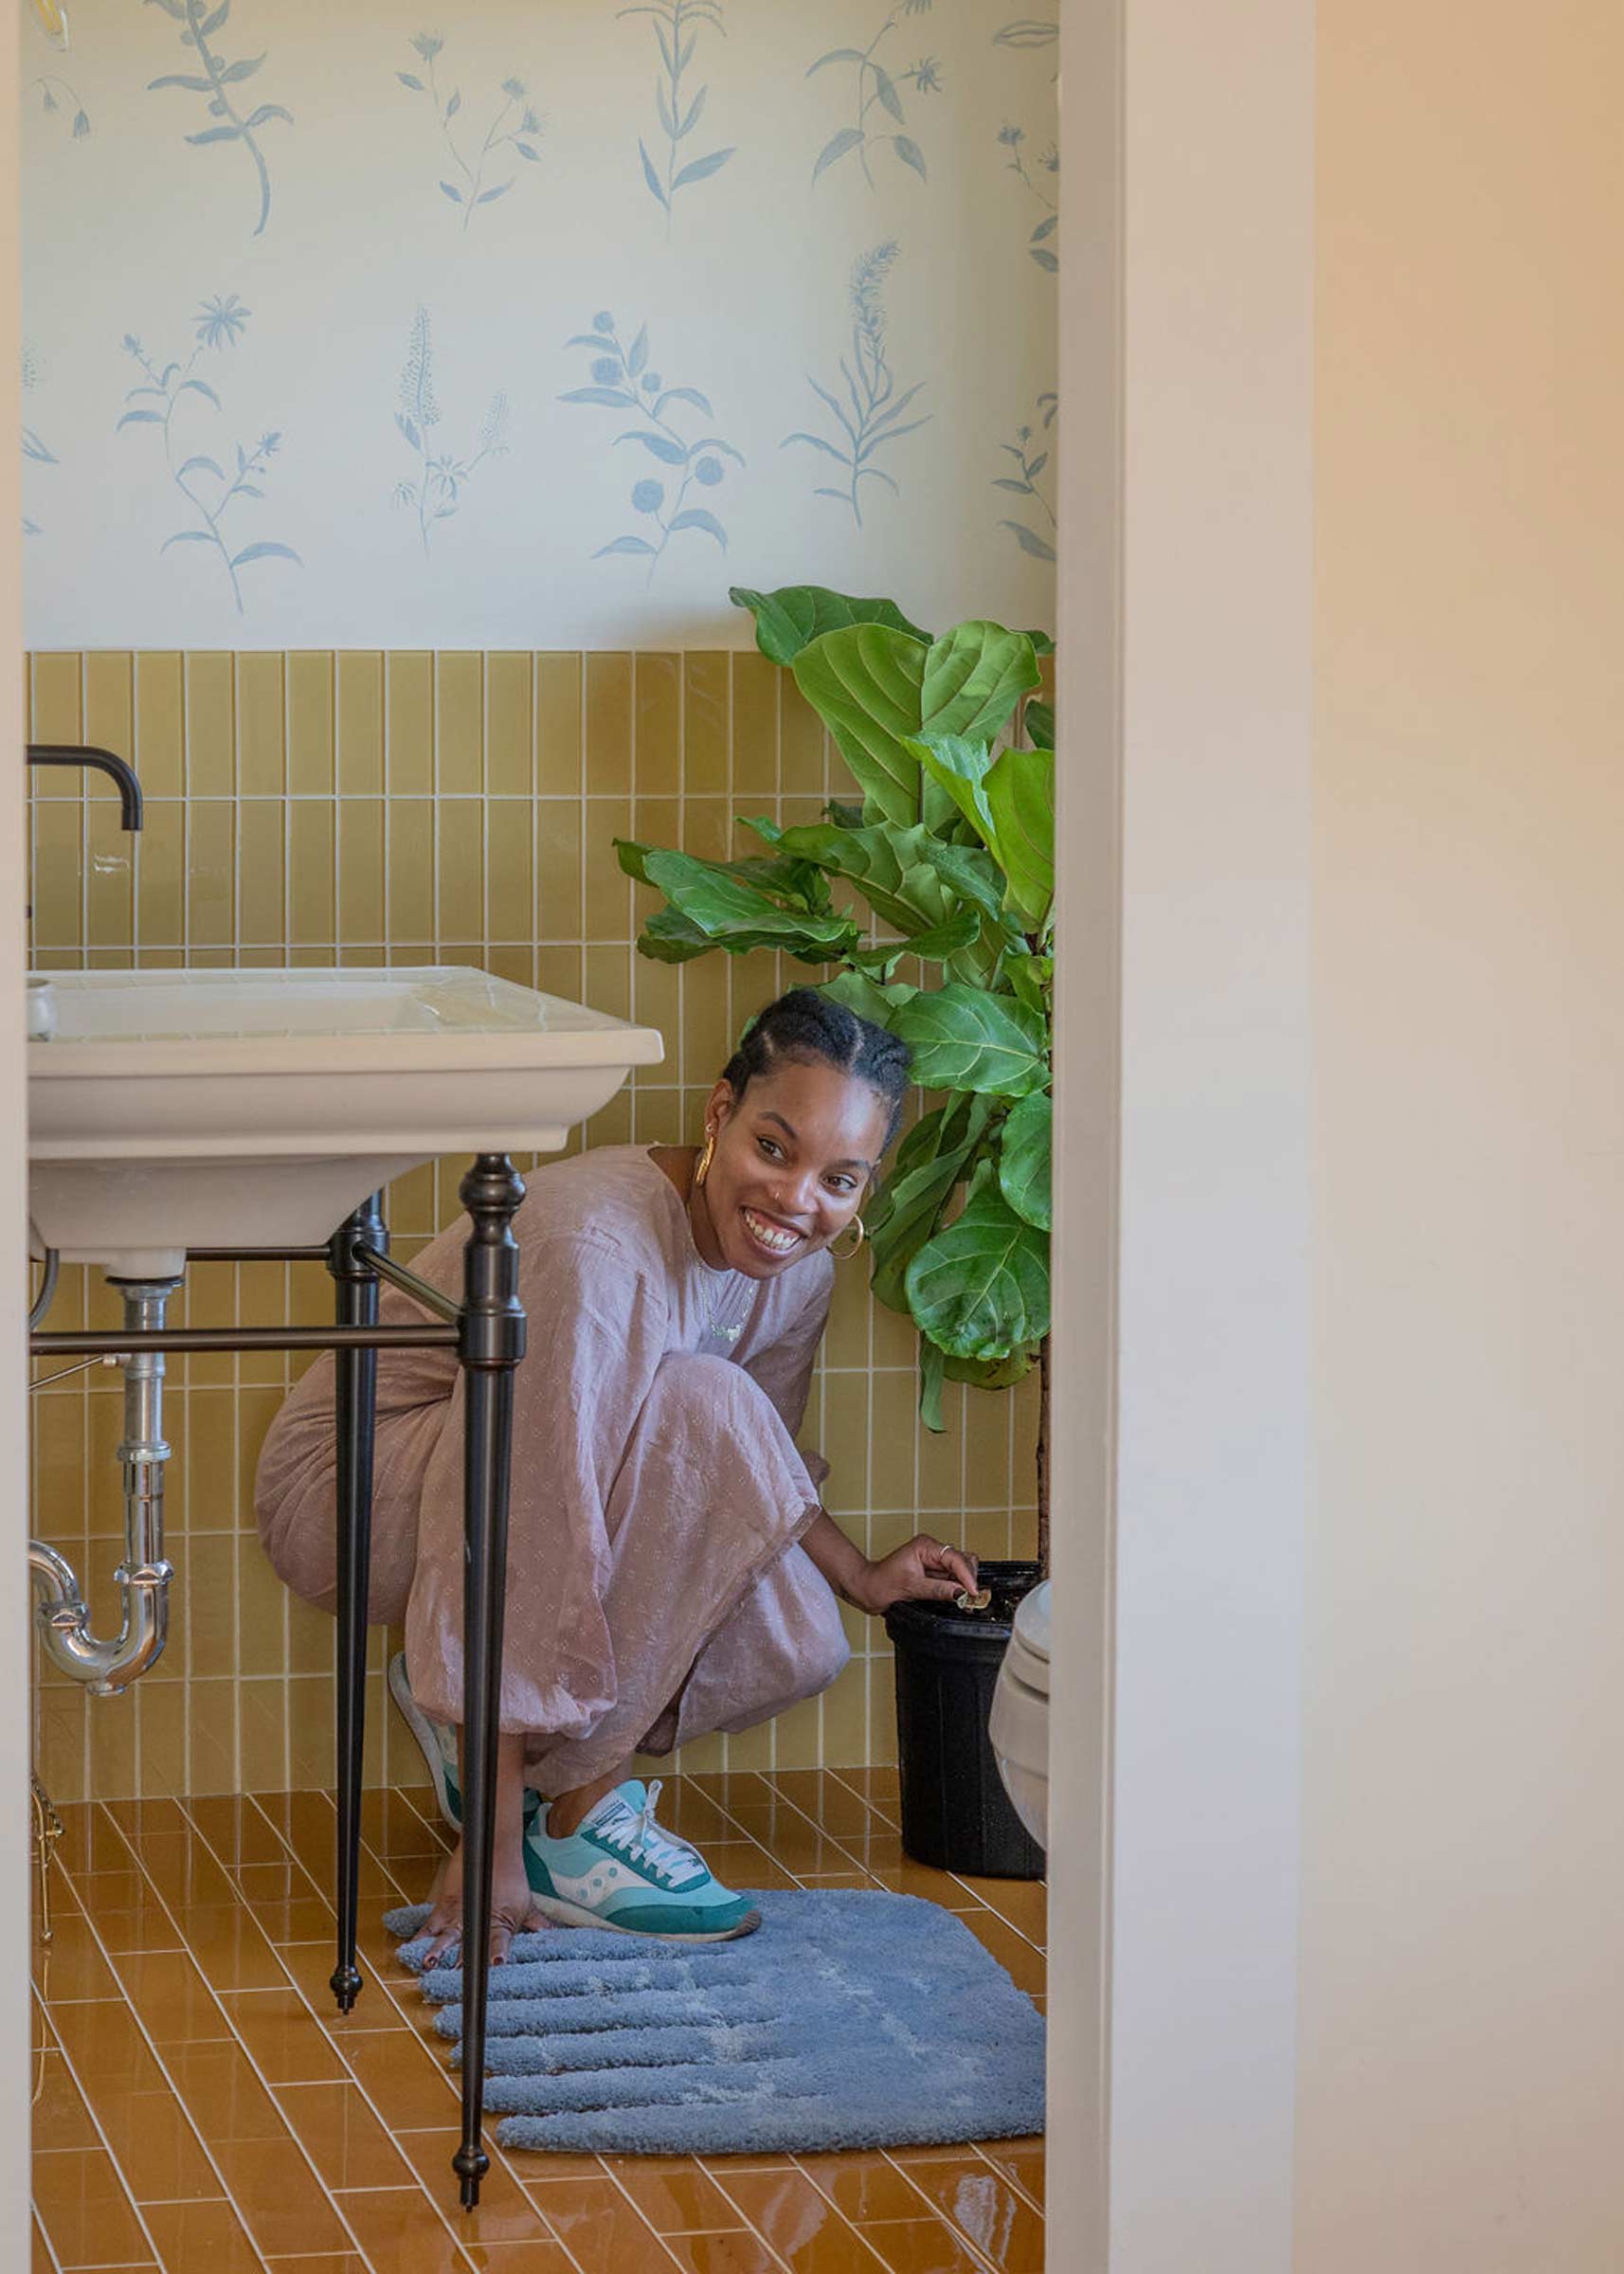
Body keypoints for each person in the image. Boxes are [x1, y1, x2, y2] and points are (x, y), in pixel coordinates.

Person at [255, 987, 979, 1966]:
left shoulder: (799, 1272)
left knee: (804, 1637)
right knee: (702, 1403)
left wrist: (856, 1578)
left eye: (839, 1180)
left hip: (515, 1490)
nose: (797, 1203)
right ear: (719, 1116)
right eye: (775, 1149)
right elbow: (519, 1511)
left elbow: (741, 1476)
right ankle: (552, 1820)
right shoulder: (596, 1248)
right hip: (356, 1488)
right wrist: (488, 1850)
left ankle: (534, 1768)